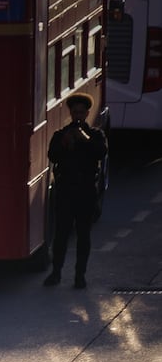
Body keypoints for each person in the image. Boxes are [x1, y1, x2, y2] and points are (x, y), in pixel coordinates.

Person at [44, 92, 106, 289]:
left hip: (86, 191)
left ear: (87, 113)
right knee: (61, 235)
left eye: (81, 112)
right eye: (75, 112)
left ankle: (80, 275)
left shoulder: (96, 135)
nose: (78, 115)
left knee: (83, 235)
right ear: (70, 113)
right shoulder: (61, 135)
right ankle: (56, 272)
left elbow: (100, 152)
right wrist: (66, 142)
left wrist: (85, 139)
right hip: (66, 191)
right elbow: (53, 155)